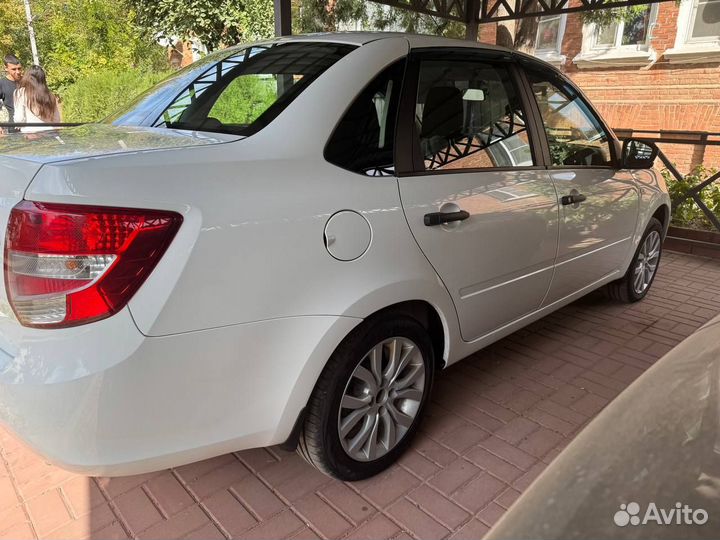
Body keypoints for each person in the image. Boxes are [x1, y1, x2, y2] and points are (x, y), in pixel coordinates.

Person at [13, 64, 61, 133]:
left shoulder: (20, 93)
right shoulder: (50, 95)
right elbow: (56, 120)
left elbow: (19, 119)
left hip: (31, 134)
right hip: (50, 133)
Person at [0, 54, 23, 132]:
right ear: (6, 68)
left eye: (19, 68)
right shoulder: (2, 83)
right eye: (14, 69)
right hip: (14, 128)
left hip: (31, 126)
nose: (18, 72)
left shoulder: (27, 81)